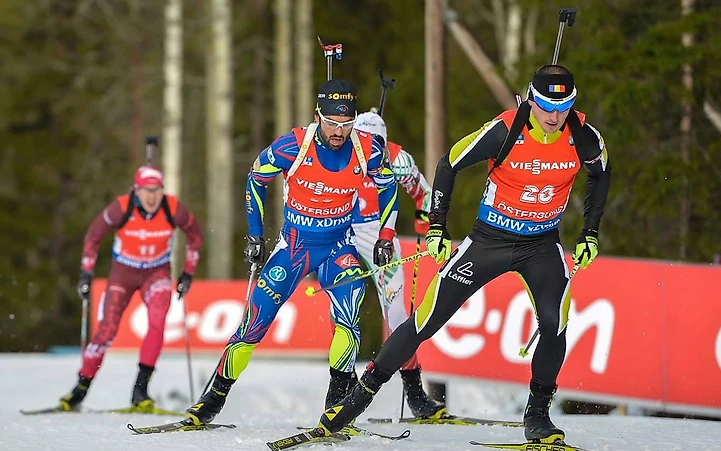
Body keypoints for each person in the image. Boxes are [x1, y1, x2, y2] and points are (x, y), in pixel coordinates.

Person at [316, 64, 612, 443]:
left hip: (541, 244)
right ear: (531, 99)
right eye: (546, 106)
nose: (554, 117)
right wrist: (438, 226)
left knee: (555, 323)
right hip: (489, 240)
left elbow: (601, 174)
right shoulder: (505, 130)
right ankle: (356, 400)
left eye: (563, 107)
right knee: (425, 320)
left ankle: (537, 415)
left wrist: (589, 233)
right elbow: (449, 162)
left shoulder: (584, 137)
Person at [184, 79, 398, 425]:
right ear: (318, 116)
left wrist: (385, 236)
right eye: (332, 123)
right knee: (254, 322)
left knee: (351, 310)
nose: (339, 132)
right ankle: (214, 398)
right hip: (294, 247)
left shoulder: (367, 149)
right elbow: (256, 177)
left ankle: (338, 404)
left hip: (338, 246)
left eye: (346, 124)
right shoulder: (293, 145)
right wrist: (255, 235)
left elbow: (389, 189)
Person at [60, 165, 203, 411]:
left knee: (158, 323)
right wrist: (86, 273)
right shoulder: (121, 207)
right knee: (106, 331)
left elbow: (195, 235)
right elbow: (93, 237)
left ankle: (140, 390)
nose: (151, 197)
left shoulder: (172, 207)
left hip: (156, 273)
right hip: (123, 274)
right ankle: (80, 388)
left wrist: (188, 272)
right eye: (146, 190)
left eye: (157, 190)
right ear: (136, 190)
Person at [351, 110, 445, 419]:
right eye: (362, 139)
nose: (370, 147)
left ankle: (415, 392)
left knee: (397, 313)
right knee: (344, 307)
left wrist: (424, 216)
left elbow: (424, 193)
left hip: (381, 235)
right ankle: (342, 385)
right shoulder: (341, 153)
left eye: (376, 140)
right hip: (344, 233)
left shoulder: (397, 157)